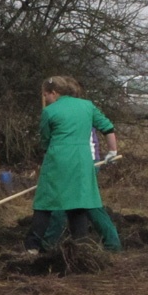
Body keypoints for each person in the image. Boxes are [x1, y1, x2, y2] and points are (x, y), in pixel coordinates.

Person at [24, 76, 119, 254]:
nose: (46, 99)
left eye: (46, 95)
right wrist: (112, 151)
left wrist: (48, 152)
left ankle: (33, 246)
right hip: (83, 160)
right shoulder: (87, 106)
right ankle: (85, 243)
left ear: (55, 92)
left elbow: (45, 139)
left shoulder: (50, 111)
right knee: (82, 200)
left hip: (58, 159)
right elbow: (107, 127)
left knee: (45, 202)